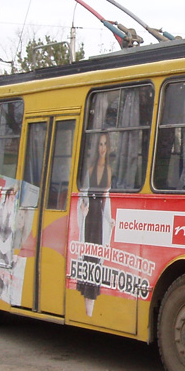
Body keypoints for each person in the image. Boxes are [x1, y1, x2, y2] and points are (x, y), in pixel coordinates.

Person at [77, 133, 112, 317]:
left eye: (105, 144)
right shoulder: (90, 170)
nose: (102, 147)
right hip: (89, 217)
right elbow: (83, 194)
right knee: (87, 258)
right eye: (100, 144)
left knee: (96, 259)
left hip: (99, 218)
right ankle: (87, 311)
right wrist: (83, 206)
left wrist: (110, 219)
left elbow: (108, 198)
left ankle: (90, 311)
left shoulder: (109, 171)